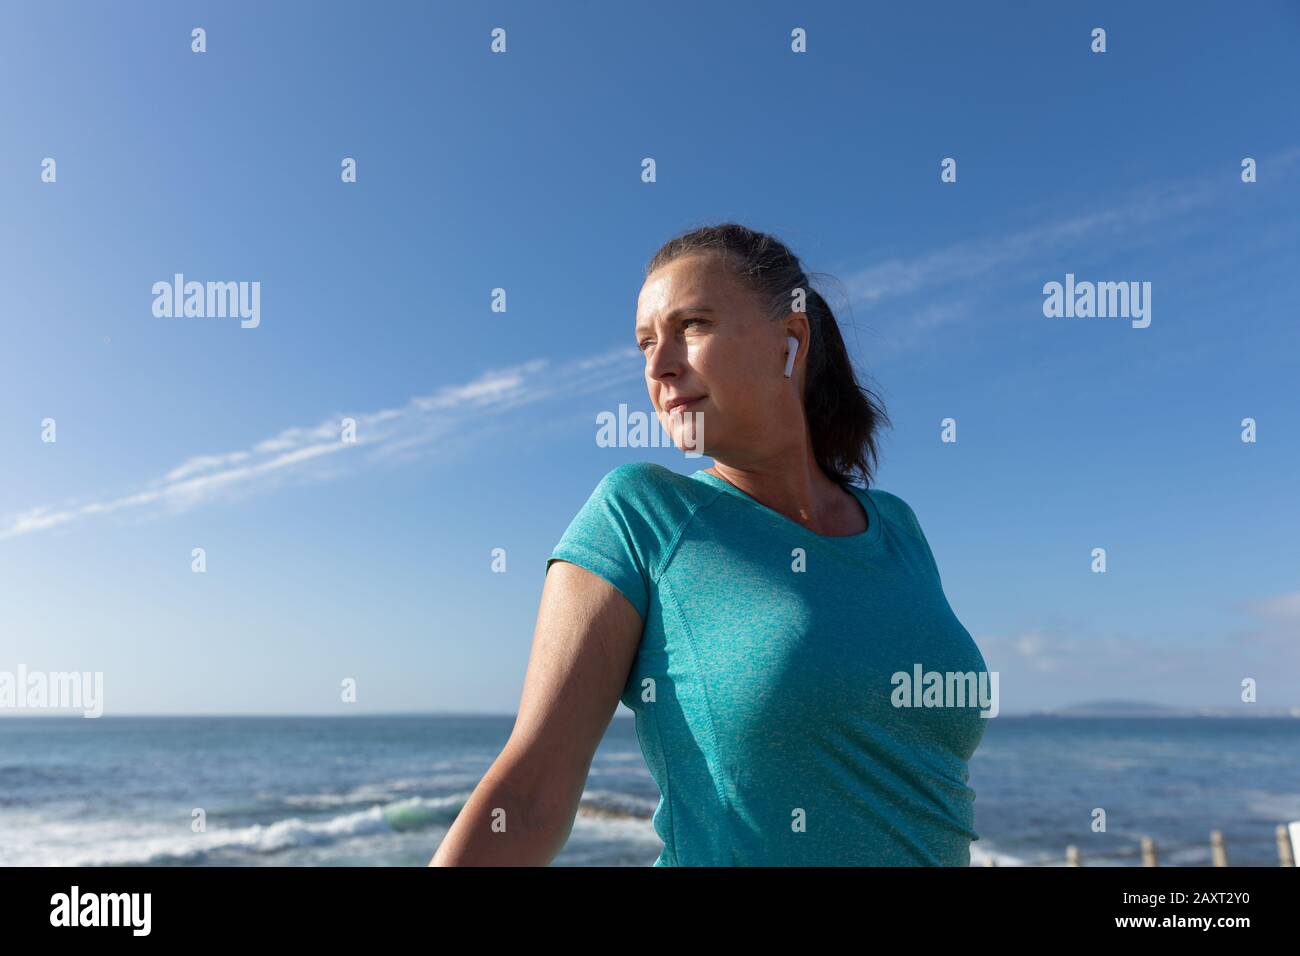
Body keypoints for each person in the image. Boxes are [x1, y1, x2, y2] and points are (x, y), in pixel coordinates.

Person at [429, 222, 990, 866]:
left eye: (691, 326)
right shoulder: (642, 514)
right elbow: (529, 799)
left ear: (791, 339)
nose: (659, 366)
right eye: (645, 343)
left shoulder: (899, 529)